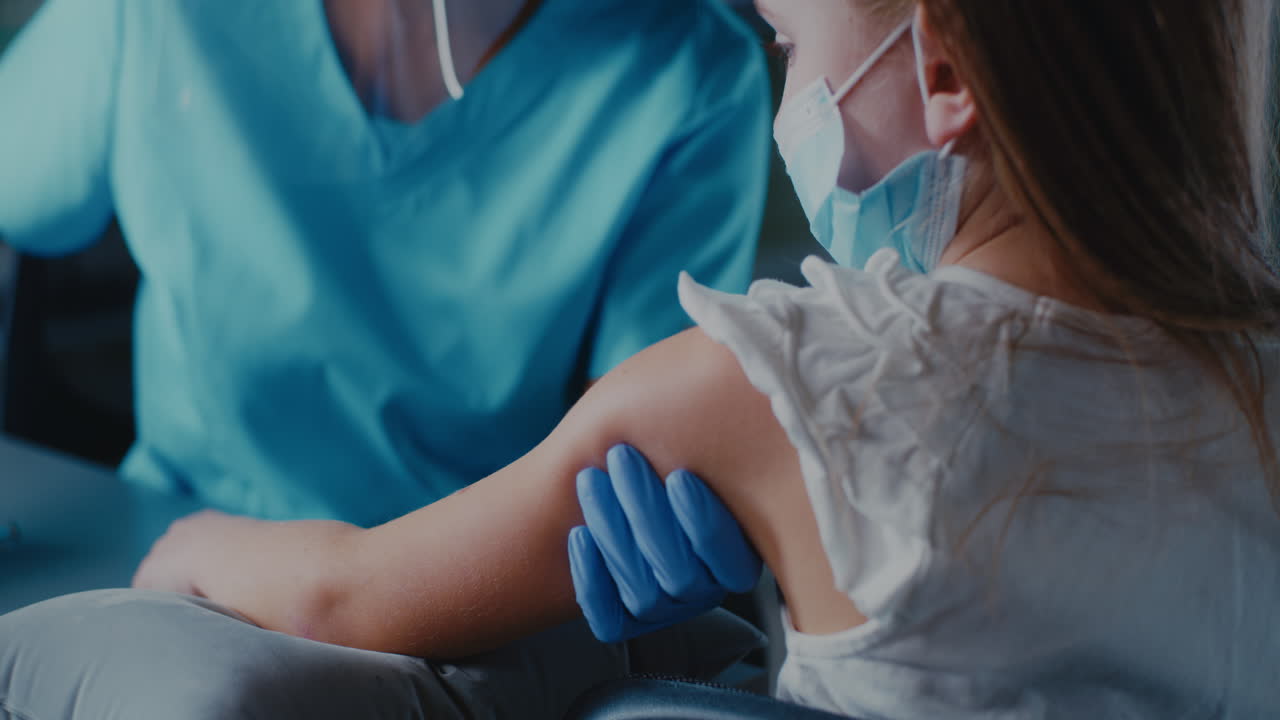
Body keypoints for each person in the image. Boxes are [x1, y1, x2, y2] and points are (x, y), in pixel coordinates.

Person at [5, 0, 1280, 717]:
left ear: (942, 63)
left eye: (792, 42)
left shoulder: (679, 92)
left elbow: (352, 592)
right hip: (222, 519)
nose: (784, 71)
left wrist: (189, 556)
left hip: (443, 587)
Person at [0, 0, 772, 715]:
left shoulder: (682, 71)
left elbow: (640, 444)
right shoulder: (164, 17)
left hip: (473, 592)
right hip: (166, 556)